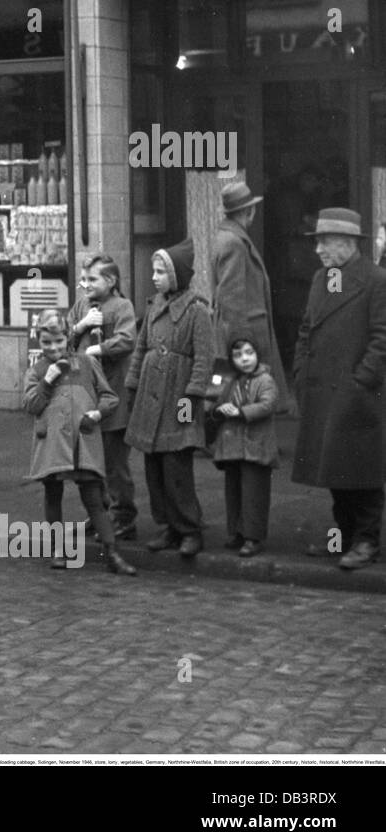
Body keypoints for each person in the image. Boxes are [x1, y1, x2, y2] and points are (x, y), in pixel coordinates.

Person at [292, 208, 386, 571]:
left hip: (359, 395)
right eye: (317, 242)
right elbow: (306, 329)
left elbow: (382, 338)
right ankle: (342, 539)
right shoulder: (322, 278)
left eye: (324, 242)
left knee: (361, 472)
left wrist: (362, 380)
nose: (318, 249)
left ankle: (366, 542)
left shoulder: (376, 280)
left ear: (347, 244)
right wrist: (301, 373)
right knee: (334, 471)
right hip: (321, 391)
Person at [22, 310, 136, 576]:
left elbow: (109, 397)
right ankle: (58, 550)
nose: (53, 348)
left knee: (94, 498)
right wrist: (47, 381)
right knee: (53, 495)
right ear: (39, 340)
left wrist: (97, 413)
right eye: (47, 342)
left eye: (59, 341)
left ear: (68, 338)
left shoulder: (87, 363)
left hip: (83, 442)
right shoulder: (35, 371)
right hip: (53, 443)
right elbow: (32, 405)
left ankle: (112, 553)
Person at [124, 238, 215, 557]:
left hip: (180, 398)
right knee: (155, 467)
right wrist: (132, 384)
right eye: (154, 270)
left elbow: (204, 358)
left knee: (178, 462)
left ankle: (189, 529)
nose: (154, 277)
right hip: (150, 398)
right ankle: (167, 527)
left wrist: (191, 399)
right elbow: (141, 348)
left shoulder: (197, 311)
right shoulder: (153, 307)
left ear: (176, 275)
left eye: (160, 271)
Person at [68, 254, 138, 540]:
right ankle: (99, 512)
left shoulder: (122, 306)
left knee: (115, 462)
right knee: (90, 460)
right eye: (83, 279)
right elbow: (64, 337)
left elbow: (127, 339)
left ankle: (123, 517)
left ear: (111, 281)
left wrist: (99, 349)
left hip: (113, 395)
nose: (85, 285)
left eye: (92, 279)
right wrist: (82, 325)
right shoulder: (82, 306)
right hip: (87, 395)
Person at [211, 181, 289, 411]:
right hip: (246, 332)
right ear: (248, 211)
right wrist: (242, 345)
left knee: (247, 395)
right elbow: (231, 298)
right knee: (247, 395)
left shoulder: (228, 237)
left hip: (244, 330)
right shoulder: (234, 242)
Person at [207, 336, 279, 557]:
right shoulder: (232, 381)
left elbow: (267, 404)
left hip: (256, 447)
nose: (245, 359)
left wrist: (241, 412)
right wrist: (220, 410)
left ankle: (253, 537)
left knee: (254, 494)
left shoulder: (265, 379)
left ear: (257, 355)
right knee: (235, 492)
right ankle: (237, 531)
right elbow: (216, 404)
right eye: (238, 355)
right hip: (233, 448)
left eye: (249, 353)